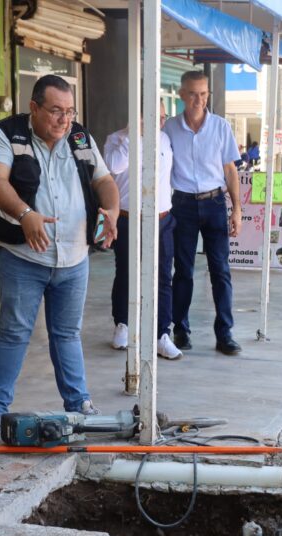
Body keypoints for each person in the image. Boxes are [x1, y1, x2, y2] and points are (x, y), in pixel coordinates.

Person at [0, 75, 119, 441]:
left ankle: (79, 405)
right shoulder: (6, 133)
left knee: (68, 334)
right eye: (56, 111)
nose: (64, 119)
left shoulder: (79, 137)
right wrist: (26, 215)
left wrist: (113, 210)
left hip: (73, 257)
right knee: (14, 333)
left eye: (69, 111)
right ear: (34, 108)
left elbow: (104, 180)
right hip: (24, 257)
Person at [163, 70, 243, 356]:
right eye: (194, 94)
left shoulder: (221, 127)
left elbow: (230, 170)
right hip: (182, 205)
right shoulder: (169, 128)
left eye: (204, 94)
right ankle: (180, 329)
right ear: (182, 94)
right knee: (183, 270)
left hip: (214, 204)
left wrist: (237, 210)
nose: (199, 100)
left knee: (220, 270)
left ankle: (225, 333)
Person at [103, 101, 182, 360]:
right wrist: (133, 136)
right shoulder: (116, 140)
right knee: (126, 272)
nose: (160, 122)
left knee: (162, 276)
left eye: (162, 116)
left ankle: (161, 333)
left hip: (161, 218)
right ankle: (123, 324)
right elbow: (113, 167)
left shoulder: (165, 140)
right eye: (154, 116)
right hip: (128, 217)